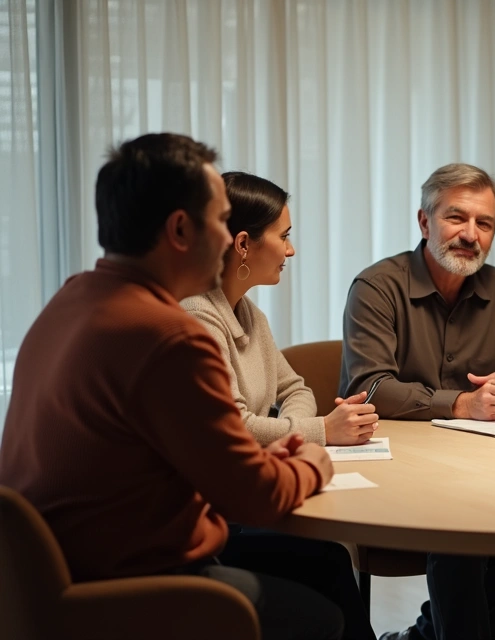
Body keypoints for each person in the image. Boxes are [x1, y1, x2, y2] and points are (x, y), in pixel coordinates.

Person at [0, 133, 343, 640]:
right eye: (221, 221)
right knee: (322, 620)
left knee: (320, 562)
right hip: (127, 588)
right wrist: (314, 460)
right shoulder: (169, 337)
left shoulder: (74, 300)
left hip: (52, 579)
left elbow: (181, 457)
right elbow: (256, 500)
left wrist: (263, 460)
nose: (231, 240)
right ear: (182, 229)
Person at [342, 163, 495, 640]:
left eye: (484, 224)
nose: (470, 234)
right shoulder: (377, 287)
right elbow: (373, 388)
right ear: (425, 223)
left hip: (477, 470)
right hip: (392, 469)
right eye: (456, 218)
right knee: (460, 532)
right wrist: (464, 404)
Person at [182, 171, 379, 640]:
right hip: (209, 518)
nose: (291, 251)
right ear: (244, 244)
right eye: (284, 237)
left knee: (327, 553)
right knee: (327, 558)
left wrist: (292, 427)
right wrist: (319, 432)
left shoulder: (248, 311)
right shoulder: (196, 316)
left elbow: (296, 387)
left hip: (233, 496)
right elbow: (231, 426)